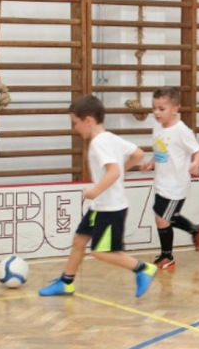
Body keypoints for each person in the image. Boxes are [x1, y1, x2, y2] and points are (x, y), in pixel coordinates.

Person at [39, 95, 157, 297]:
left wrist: (95, 191)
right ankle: (66, 282)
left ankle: (143, 268)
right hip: (101, 206)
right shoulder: (110, 137)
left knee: (100, 251)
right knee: (79, 240)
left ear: (88, 121)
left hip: (110, 208)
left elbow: (113, 172)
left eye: (75, 123)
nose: (75, 128)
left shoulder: (99, 143)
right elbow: (138, 154)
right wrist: (120, 171)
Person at [140, 86, 199, 271]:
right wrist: (151, 162)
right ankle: (196, 230)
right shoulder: (157, 127)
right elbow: (161, 150)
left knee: (162, 219)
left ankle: (168, 257)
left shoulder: (182, 130)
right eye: (154, 108)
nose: (156, 112)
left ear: (175, 109)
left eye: (161, 109)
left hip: (176, 184)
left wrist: (196, 163)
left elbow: (198, 151)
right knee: (165, 217)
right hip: (161, 181)